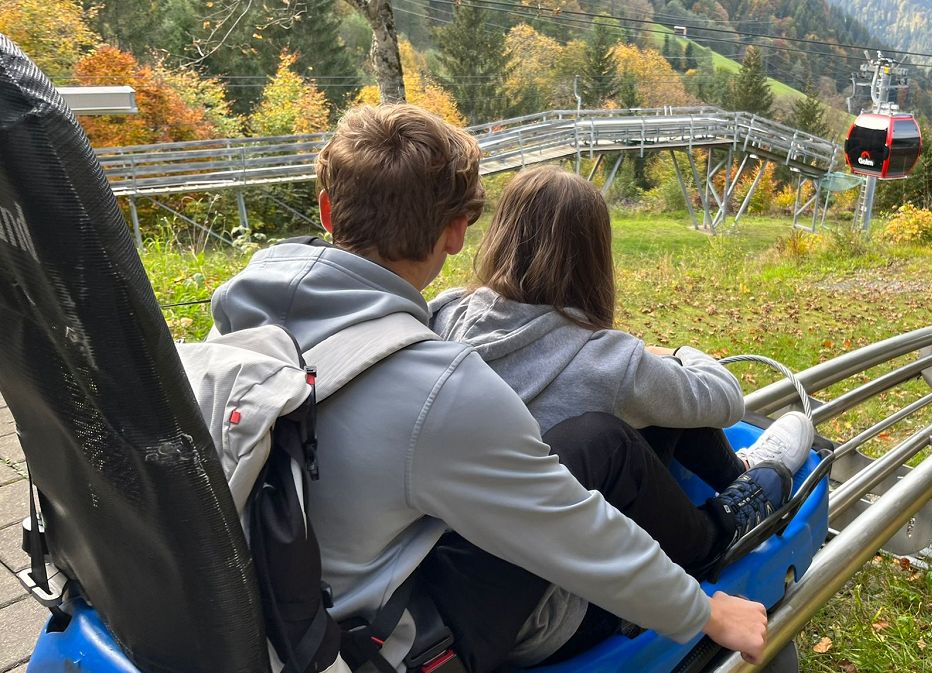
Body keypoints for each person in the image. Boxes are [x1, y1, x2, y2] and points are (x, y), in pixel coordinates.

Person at [209, 104, 769, 673]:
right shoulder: (436, 385)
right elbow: (573, 527)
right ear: (457, 231)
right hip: (398, 646)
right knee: (600, 442)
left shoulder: (232, 331)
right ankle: (726, 523)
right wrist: (705, 613)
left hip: (266, 622)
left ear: (327, 210)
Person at [429, 163, 815, 586]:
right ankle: (734, 494)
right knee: (663, 390)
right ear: (592, 255)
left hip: (470, 544)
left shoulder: (447, 312)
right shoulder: (606, 362)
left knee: (652, 392)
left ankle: (738, 471)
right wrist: (676, 353)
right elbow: (727, 398)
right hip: (564, 572)